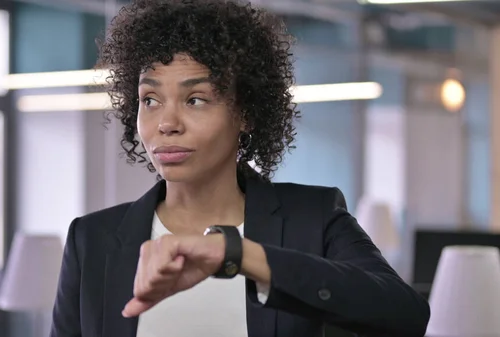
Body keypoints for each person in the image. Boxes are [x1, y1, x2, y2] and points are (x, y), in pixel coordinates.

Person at [50, 0, 430, 336]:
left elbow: (405, 315)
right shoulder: (92, 240)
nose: (166, 123)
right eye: (150, 99)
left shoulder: (313, 219)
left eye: (195, 99)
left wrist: (236, 254)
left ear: (245, 112)